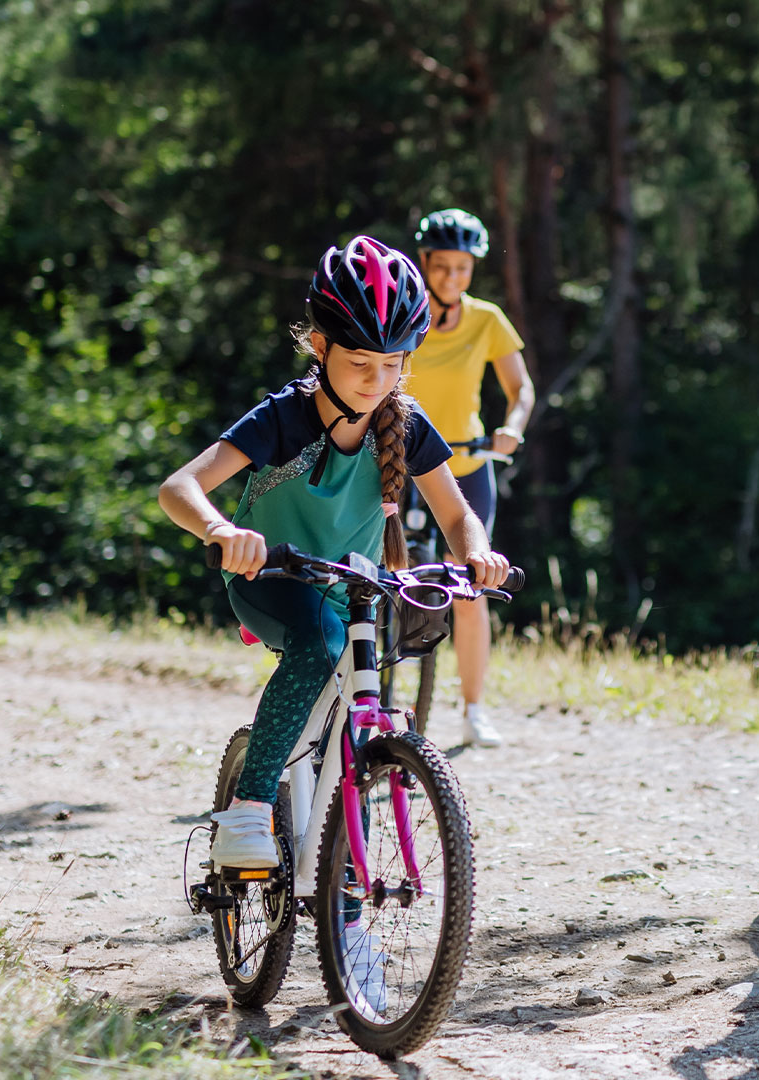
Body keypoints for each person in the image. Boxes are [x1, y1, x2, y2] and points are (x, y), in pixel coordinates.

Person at [158, 234, 509, 870]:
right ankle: (248, 810)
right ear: (319, 346)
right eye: (360, 364)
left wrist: (479, 553)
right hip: (271, 578)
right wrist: (219, 532)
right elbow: (179, 488)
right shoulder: (283, 417)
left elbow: (457, 516)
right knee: (319, 647)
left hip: (355, 586)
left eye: (393, 364)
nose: (378, 381)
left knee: (359, 726)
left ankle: (348, 902)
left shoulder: (405, 422)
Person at [406, 208, 535, 748]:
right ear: (424, 263)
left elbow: (520, 389)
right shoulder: (404, 314)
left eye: (463, 268)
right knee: (378, 572)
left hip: (466, 466)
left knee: (473, 583)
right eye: (443, 266)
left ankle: (474, 708)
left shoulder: (487, 320)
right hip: (404, 464)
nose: (453, 277)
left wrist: (510, 429)